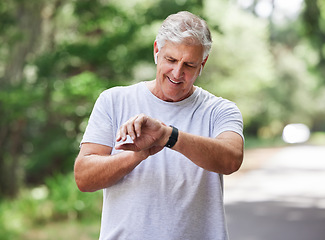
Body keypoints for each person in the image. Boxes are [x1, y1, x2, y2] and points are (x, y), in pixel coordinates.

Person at [74, 11, 244, 240]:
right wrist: (138, 155)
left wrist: (168, 136)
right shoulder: (113, 101)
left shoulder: (220, 110)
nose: (177, 73)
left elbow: (231, 159)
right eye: (171, 60)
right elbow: (84, 177)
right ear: (157, 51)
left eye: (189, 65)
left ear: (202, 64)